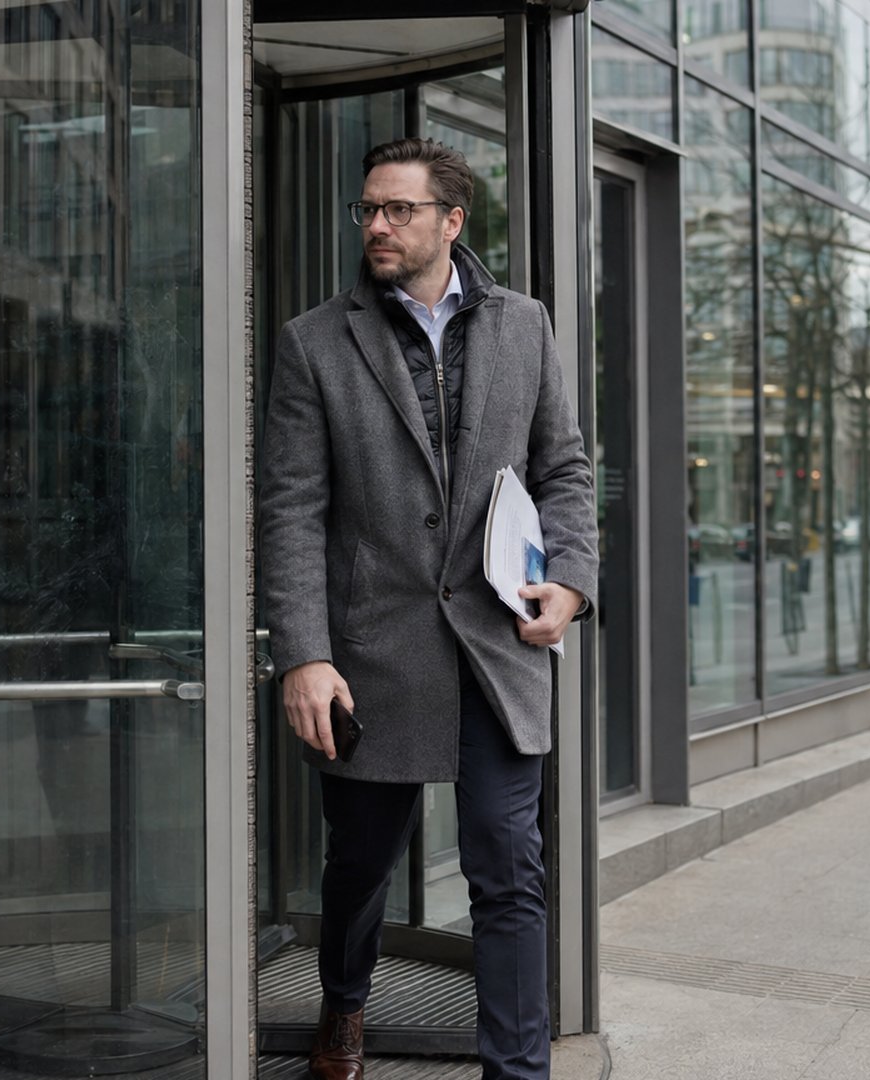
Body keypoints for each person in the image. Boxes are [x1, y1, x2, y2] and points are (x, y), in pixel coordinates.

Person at [258, 137, 598, 1080]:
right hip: (370, 655)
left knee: (508, 868)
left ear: (451, 220)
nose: (376, 225)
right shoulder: (314, 341)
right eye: (368, 208)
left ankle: (516, 1073)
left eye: (397, 210)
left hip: (498, 645)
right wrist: (304, 654)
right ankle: (344, 1002)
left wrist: (571, 580)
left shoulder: (524, 324)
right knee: (361, 864)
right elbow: (292, 511)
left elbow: (564, 470)